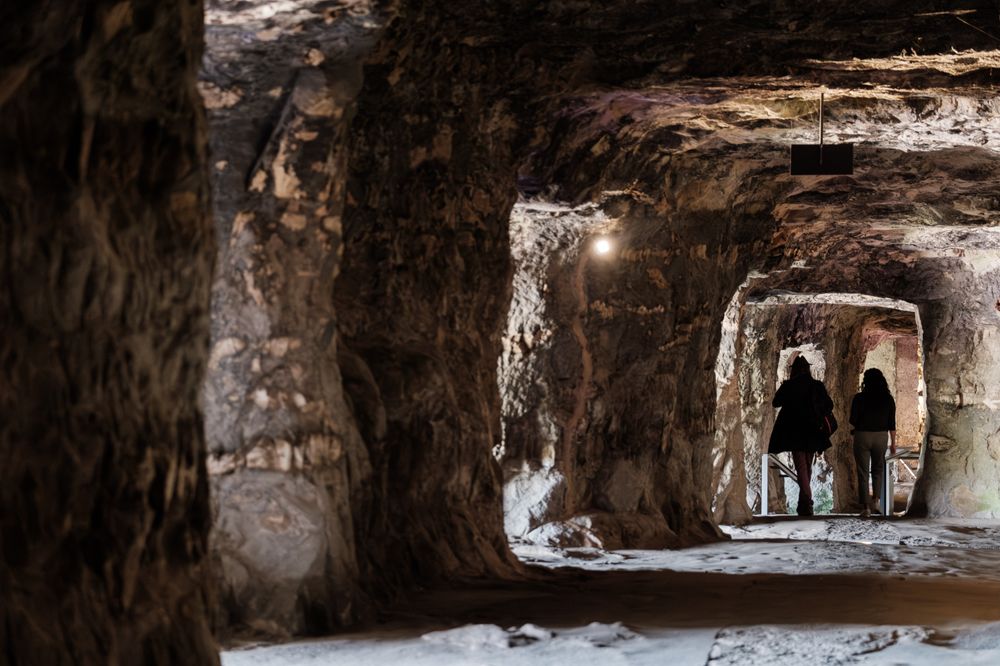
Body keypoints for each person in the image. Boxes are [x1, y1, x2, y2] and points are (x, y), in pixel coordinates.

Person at [768, 356, 834, 517]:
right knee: (807, 467)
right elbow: (829, 405)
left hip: (795, 431)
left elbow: (776, 402)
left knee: (801, 468)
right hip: (813, 430)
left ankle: (807, 501)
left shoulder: (790, 385)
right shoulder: (816, 385)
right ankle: (803, 504)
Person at [850, 368, 897, 518]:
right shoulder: (888, 399)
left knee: (862, 472)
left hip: (862, 436)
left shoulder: (859, 398)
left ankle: (866, 507)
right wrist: (893, 443)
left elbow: (853, 420)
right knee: (878, 470)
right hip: (881, 437)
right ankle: (876, 500)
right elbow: (892, 423)